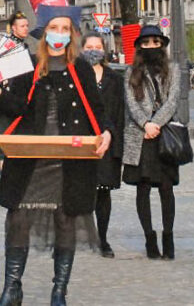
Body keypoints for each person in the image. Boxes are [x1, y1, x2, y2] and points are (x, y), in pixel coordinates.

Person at [0, 7, 113, 306]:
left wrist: (106, 132)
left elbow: (97, 109)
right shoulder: (29, 66)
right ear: (44, 31)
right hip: (30, 156)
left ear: (72, 35)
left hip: (69, 157)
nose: (60, 34)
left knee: (66, 221)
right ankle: (12, 288)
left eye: (66, 29)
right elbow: (14, 106)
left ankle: (59, 291)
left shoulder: (80, 69)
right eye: (55, 27)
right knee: (18, 219)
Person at [121, 25, 179, 260]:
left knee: (166, 188)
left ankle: (168, 236)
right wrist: (146, 124)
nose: (151, 47)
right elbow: (130, 103)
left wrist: (156, 123)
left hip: (163, 135)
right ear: (139, 47)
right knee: (142, 188)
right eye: (146, 43)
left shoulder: (173, 69)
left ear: (162, 45)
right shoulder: (130, 72)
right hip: (140, 135)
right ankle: (149, 238)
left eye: (156, 42)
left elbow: (173, 100)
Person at [82, 33, 123, 258]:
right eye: (89, 47)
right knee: (81, 190)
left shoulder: (114, 79)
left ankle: (103, 238)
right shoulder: (77, 76)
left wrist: (113, 137)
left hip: (107, 142)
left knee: (103, 192)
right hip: (82, 141)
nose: (94, 50)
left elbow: (118, 112)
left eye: (98, 46)